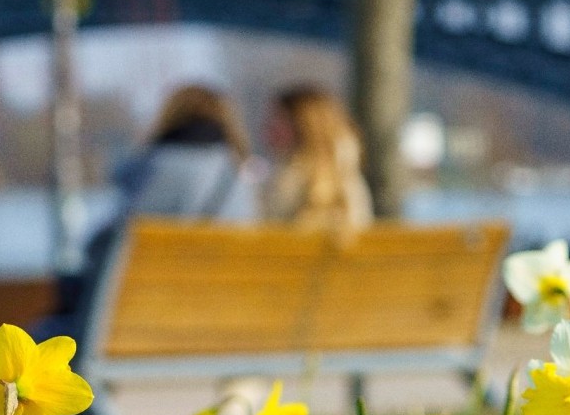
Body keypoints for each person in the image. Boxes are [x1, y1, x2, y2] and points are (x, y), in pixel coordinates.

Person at [47, 85, 257, 342]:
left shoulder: (161, 165)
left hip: (145, 326)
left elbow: (110, 242)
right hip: (224, 323)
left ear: (171, 115)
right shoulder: (240, 174)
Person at [262, 85, 374, 231]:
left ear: (304, 124)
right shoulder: (343, 172)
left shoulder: (322, 181)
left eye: (278, 119)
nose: (268, 127)